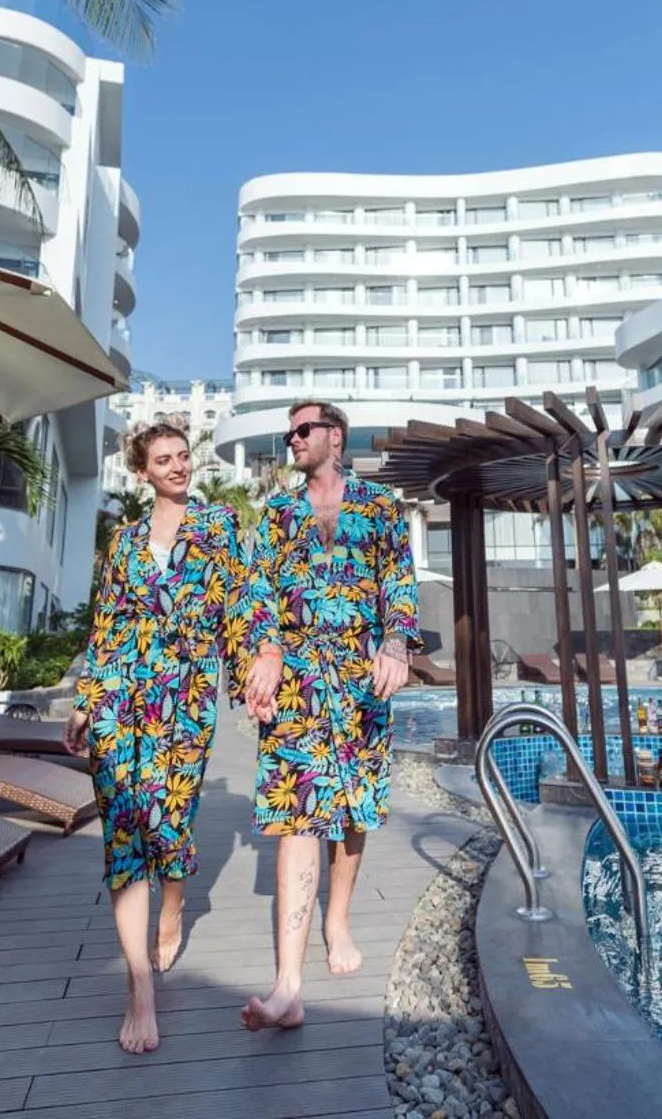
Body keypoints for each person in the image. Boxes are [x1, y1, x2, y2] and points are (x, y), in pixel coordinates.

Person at [64, 422, 275, 1054]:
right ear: (143, 472)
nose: (179, 466)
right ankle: (139, 990)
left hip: (184, 698)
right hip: (120, 698)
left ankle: (175, 904)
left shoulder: (218, 530)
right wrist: (84, 702)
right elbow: (106, 629)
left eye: (184, 456)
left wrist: (257, 671)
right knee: (124, 831)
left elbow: (243, 607)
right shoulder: (123, 543)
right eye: (165, 459)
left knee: (170, 822)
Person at [237, 399, 419, 1032]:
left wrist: (396, 645)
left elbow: (398, 581)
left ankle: (336, 919)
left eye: (303, 430)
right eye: (289, 432)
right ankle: (289, 985)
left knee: (352, 809)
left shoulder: (380, 505)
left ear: (334, 437)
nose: (292, 440)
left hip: (360, 679)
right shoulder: (278, 512)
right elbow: (257, 589)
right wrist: (264, 650)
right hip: (296, 680)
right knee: (296, 816)